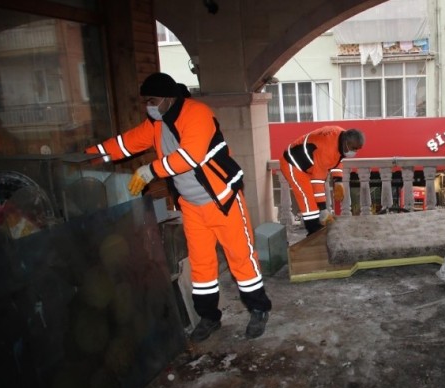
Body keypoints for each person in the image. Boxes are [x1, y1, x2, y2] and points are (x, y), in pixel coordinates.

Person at [85, 72, 272, 342]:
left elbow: (190, 155)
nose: (148, 106)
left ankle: (258, 309)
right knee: (201, 265)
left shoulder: (197, 113)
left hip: (223, 201)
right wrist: (90, 156)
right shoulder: (157, 124)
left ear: (168, 98)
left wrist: (151, 170)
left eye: (152, 100)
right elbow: (125, 144)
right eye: (146, 101)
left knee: (241, 259)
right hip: (192, 206)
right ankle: (209, 317)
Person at [279, 126, 364, 235]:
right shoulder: (327, 150)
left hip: (308, 167)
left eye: (357, 149)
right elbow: (318, 182)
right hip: (293, 165)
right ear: (346, 143)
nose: (355, 151)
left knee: (312, 202)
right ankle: (313, 232)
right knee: (308, 201)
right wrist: (323, 209)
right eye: (353, 148)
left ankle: (316, 230)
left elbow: (337, 159)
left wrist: (338, 180)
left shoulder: (342, 136)